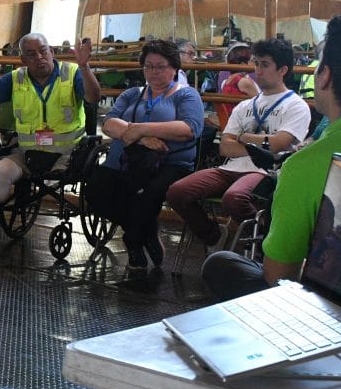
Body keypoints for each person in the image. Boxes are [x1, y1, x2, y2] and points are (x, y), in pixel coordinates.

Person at [198, 11, 341, 389]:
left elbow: (279, 280)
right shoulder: (258, 110)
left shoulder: (313, 162)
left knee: (240, 278)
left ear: (323, 74)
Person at [167, 38, 310, 253]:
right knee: (177, 192)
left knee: (234, 198)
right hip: (231, 167)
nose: (258, 70)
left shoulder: (296, 105)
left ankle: (267, 240)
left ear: (282, 70)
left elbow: (280, 144)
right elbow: (225, 147)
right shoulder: (245, 105)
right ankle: (213, 235)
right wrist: (261, 143)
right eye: (256, 64)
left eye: (264, 65)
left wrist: (243, 137)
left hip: (267, 170)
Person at [84, 39, 203, 269]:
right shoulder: (132, 93)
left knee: (148, 193)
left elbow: (190, 129)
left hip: (169, 163)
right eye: (148, 66)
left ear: (174, 68)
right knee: (96, 188)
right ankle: (146, 231)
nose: (154, 72)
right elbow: (109, 123)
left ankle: (133, 242)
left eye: (161, 66)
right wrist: (142, 137)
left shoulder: (186, 95)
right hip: (126, 159)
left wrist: (142, 129)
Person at [0, 28, 101, 206]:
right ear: (23, 60)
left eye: (43, 51)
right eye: (31, 54)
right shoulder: (16, 78)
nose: (39, 57)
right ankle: (4, 206)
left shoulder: (72, 73)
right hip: (28, 154)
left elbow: (94, 96)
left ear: (51, 52)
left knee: (55, 179)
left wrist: (84, 66)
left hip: (68, 155)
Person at [212, 42, 258, 130]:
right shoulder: (244, 82)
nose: (255, 64)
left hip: (232, 120)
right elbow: (261, 105)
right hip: (243, 123)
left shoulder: (228, 80)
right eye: (252, 60)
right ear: (243, 64)